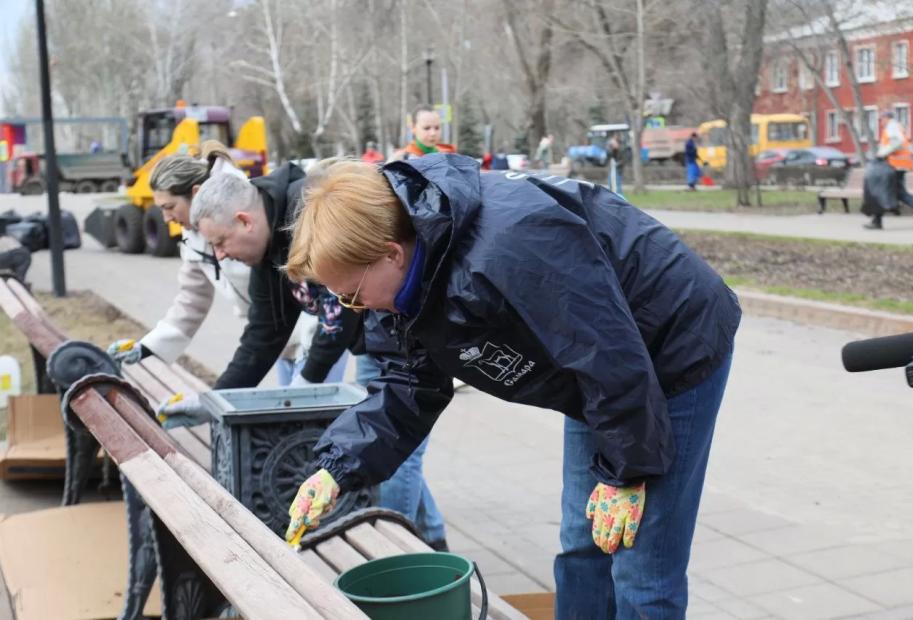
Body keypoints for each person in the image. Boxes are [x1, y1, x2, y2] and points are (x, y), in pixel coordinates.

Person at [283, 155, 741, 618]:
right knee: (582, 543)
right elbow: (408, 386)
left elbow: (605, 349)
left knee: (640, 565)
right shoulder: (399, 293)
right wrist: (337, 467)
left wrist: (627, 472)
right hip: (596, 377)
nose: (354, 308)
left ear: (391, 253)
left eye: (353, 294)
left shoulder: (512, 242)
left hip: (671, 349)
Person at [162, 159, 448, 549]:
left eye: (220, 242)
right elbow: (262, 337)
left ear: (245, 221)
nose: (220, 255)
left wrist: (305, 382)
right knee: (384, 441)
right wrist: (213, 400)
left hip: (402, 334)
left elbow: (340, 314)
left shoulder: (305, 212)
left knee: (394, 448)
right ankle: (431, 540)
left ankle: (394, 552)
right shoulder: (265, 252)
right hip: (376, 337)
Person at [106, 143, 254, 368]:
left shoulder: (246, 217)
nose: (166, 218)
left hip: (311, 338)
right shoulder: (192, 236)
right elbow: (192, 299)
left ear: (196, 194)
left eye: (170, 207)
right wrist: (147, 347)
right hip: (279, 345)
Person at [865, 110, 913, 230]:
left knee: (879, 191)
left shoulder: (892, 126)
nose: (880, 122)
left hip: (893, 166)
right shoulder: (897, 127)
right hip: (900, 165)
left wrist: (882, 154)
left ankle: (877, 221)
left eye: (881, 119)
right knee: (900, 193)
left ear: (887, 118)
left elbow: (897, 142)